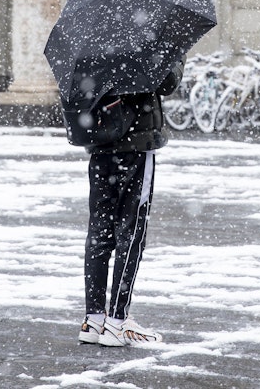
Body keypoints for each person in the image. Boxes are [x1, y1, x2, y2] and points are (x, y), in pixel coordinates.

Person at [77, 58, 184, 347]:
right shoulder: (146, 39)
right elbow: (167, 83)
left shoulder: (93, 37)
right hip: (136, 144)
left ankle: (94, 318)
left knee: (99, 232)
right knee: (132, 234)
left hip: (100, 144)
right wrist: (175, 57)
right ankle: (117, 321)